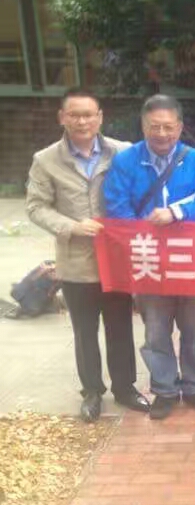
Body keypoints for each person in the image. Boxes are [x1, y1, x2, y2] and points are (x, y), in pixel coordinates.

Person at [25, 88, 149, 422]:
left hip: (116, 260)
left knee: (120, 326)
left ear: (100, 118)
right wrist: (71, 226)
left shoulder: (122, 152)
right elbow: (35, 207)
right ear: (62, 118)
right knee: (84, 331)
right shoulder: (46, 160)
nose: (82, 122)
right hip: (76, 262)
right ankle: (92, 391)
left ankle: (125, 388)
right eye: (74, 115)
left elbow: (141, 192)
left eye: (88, 115)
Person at [103, 94, 195, 421]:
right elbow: (116, 208)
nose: (162, 133)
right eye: (154, 126)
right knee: (156, 332)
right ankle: (165, 390)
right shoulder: (125, 161)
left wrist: (177, 212)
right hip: (150, 263)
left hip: (191, 261)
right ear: (143, 126)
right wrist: (144, 233)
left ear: (180, 127)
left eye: (169, 127)